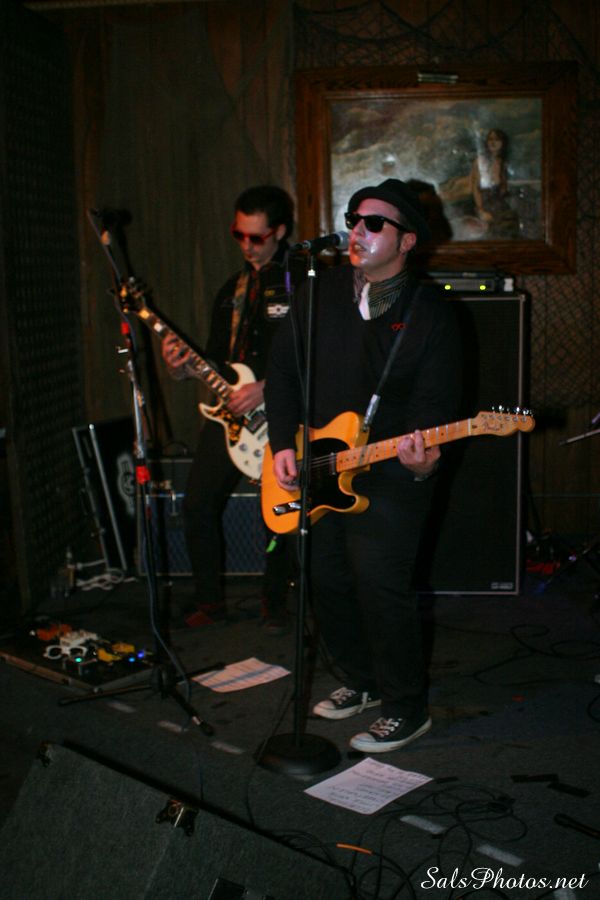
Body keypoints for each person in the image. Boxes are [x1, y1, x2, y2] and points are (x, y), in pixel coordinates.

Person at [264, 178, 462, 752]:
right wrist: (281, 443)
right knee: (324, 576)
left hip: (392, 469)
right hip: (319, 461)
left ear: (407, 241)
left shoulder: (431, 313)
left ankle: (406, 707)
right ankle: (362, 680)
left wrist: (422, 464)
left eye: (375, 223)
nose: (358, 231)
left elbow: (435, 407)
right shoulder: (317, 291)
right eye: (354, 219)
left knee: (378, 580)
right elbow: (282, 372)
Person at [161, 185, 302, 631]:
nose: (246, 245)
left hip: (281, 414)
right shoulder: (230, 291)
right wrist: (182, 369)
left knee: (279, 514)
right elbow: (217, 361)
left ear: (280, 232)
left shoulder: (302, 282)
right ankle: (209, 601)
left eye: (256, 237)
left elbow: (318, 357)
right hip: (230, 417)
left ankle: (276, 602)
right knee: (197, 503)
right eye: (238, 234)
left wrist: (266, 388)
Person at [470, 128, 519, 238]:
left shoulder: (502, 163)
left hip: (499, 205)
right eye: (490, 139)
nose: (493, 142)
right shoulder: (480, 161)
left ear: (502, 143)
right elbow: (475, 188)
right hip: (483, 204)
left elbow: (503, 189)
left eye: (496, 139)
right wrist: (481, 210)